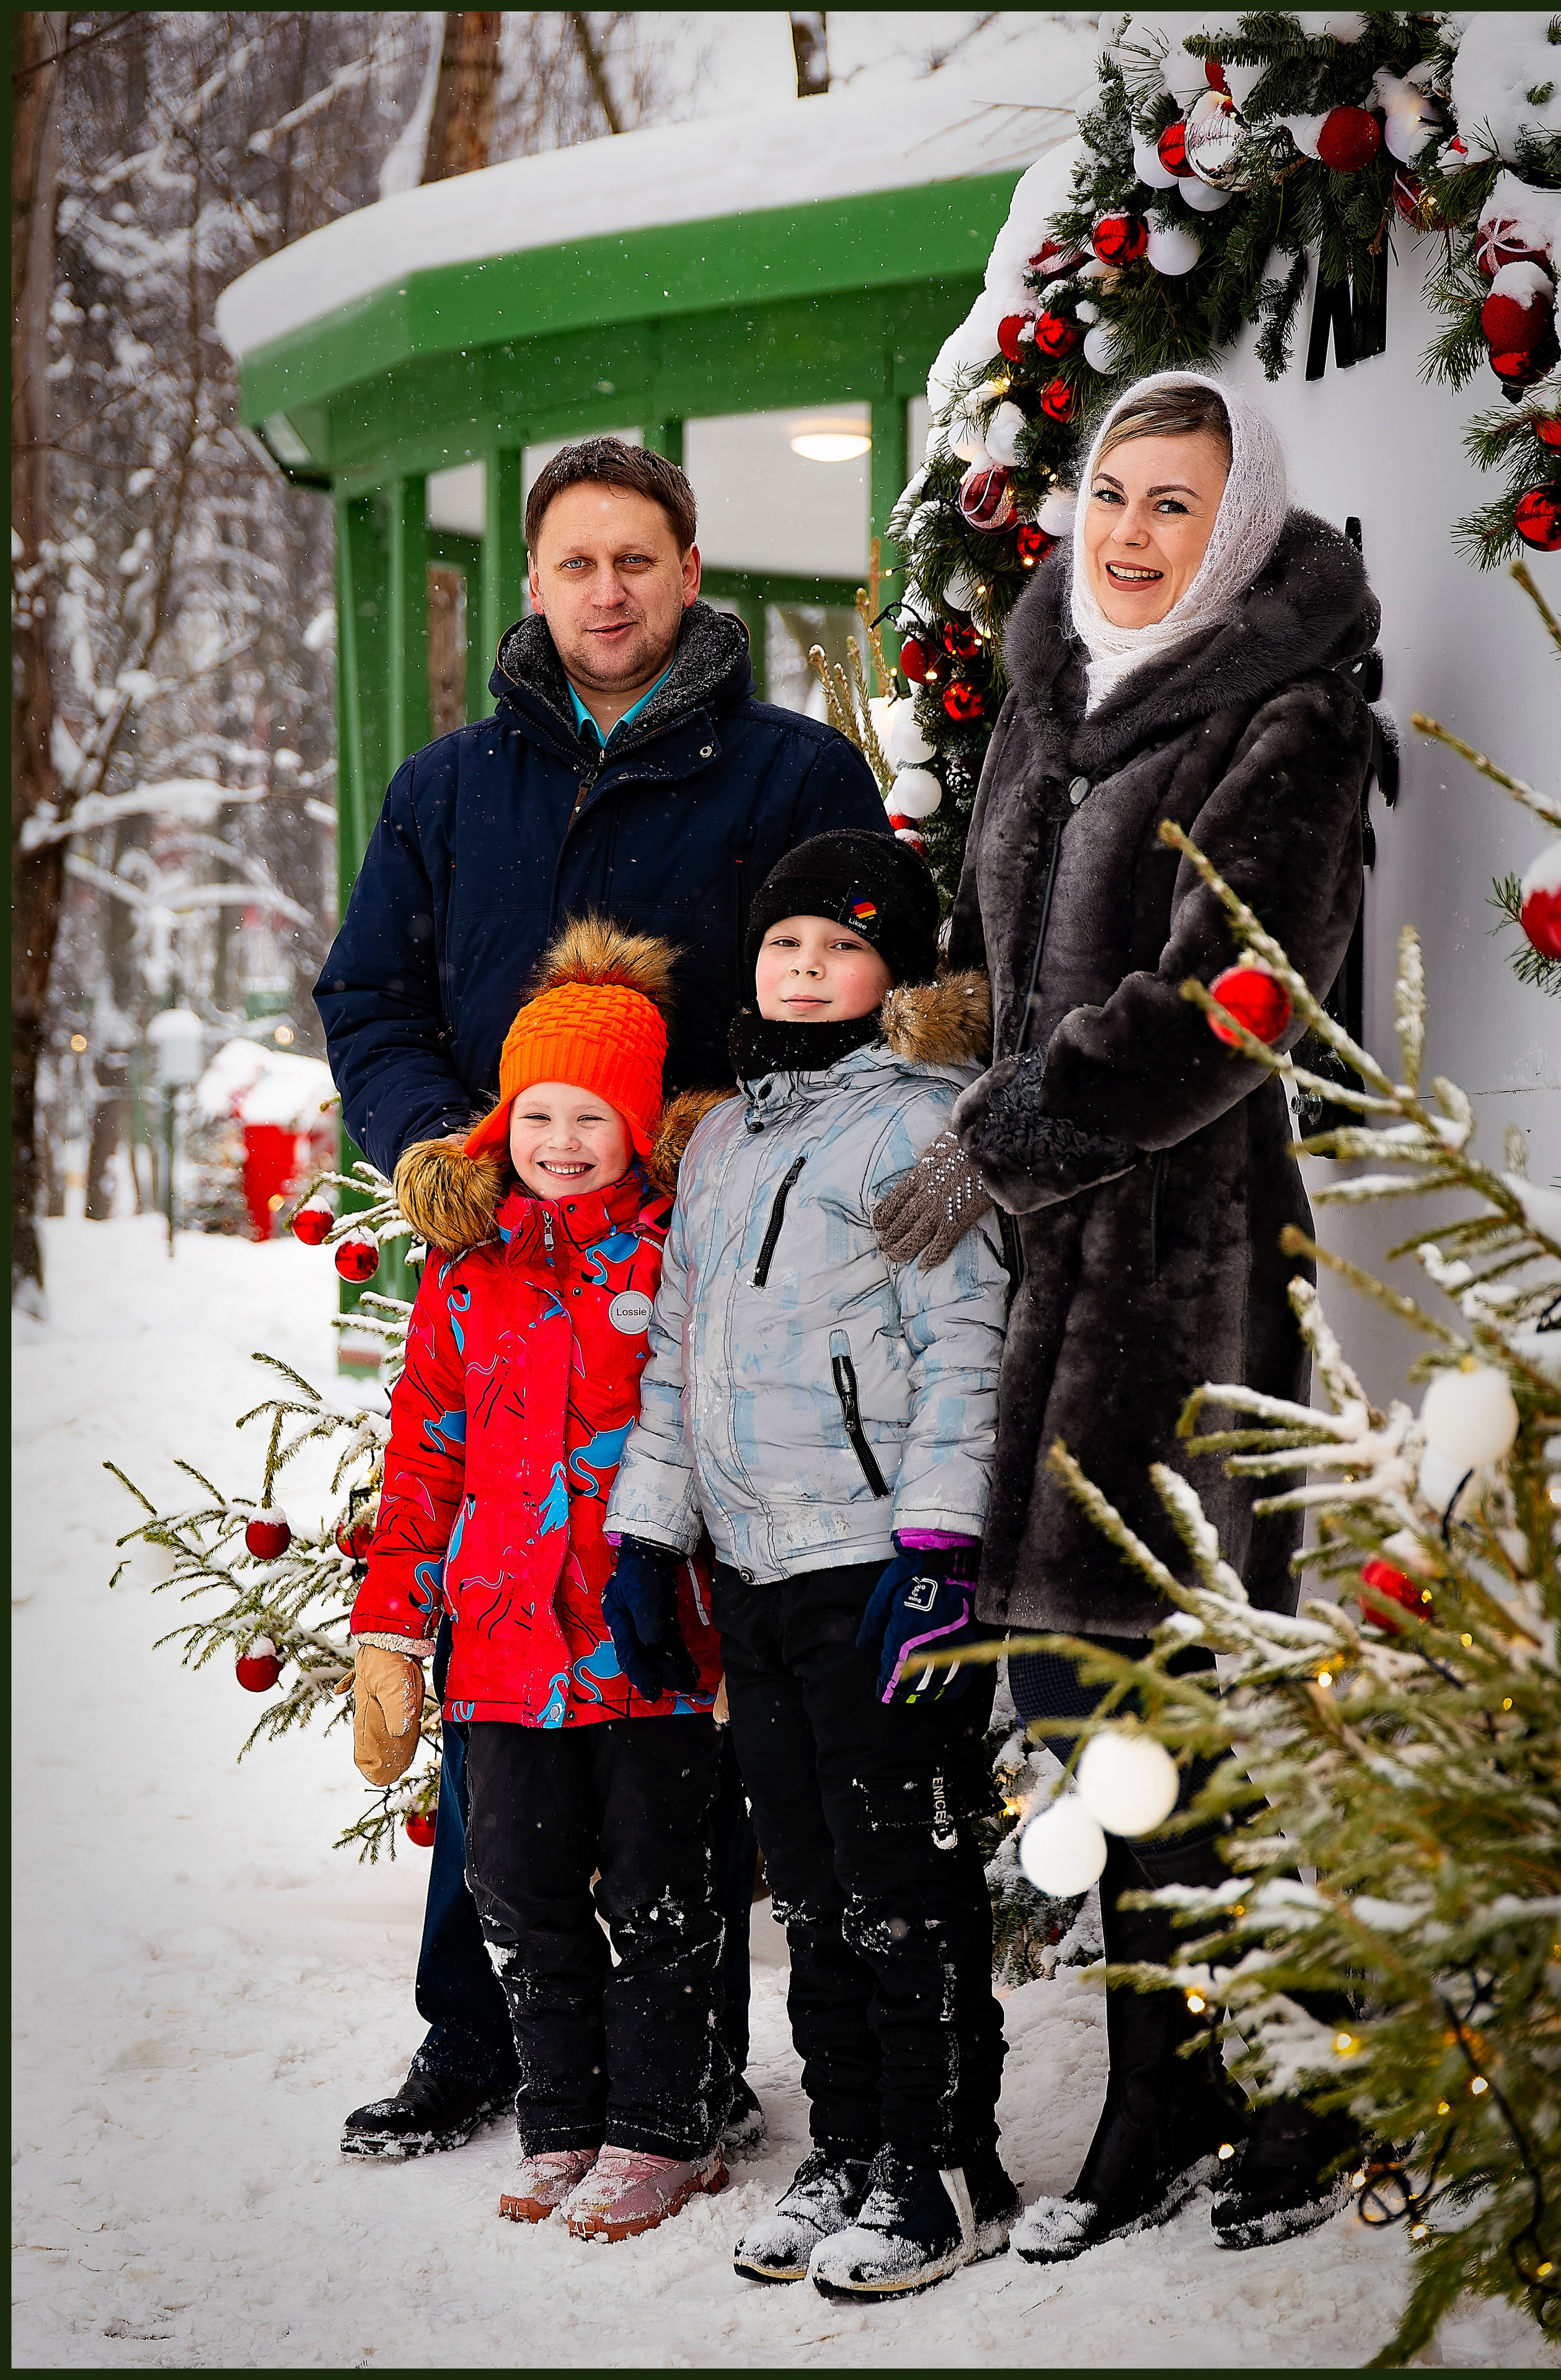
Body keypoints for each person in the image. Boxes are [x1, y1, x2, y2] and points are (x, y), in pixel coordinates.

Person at [316, 436, 890, 2159]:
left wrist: (740, 1153)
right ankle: (476, 2032)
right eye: (577, 562)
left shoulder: (791, 774)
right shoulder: (447, 793)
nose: (609, 591)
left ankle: (677, 2060)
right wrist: (444, 1148)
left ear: (691, 569)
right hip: (508, 1290)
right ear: (539, 583)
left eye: (638, 558)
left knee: (672, 1665)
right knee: (504, 1648)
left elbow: (851, 979)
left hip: (708, 1291)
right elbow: (371, 998)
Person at [875, 373, 1379, 2260]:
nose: (1132, 533)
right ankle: (1176, 2088)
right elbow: (1009, 963)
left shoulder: (1289, 714)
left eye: (1178, 504)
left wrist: (1017, 1124)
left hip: (1187, 1265)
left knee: (1184, 1698)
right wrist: (943, 1062)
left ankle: (1281, 2084)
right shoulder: (1048, 695)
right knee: (1094, 1708)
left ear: (1237, 529)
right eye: (1112, 494)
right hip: (1035, 1275)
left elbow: (1241, 999)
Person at [606, 830, 1020, 2300]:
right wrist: (649, 1536)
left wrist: (938, 1546)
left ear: (892, 974)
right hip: (752, 1563)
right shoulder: (717, 1140)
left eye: (837, 946)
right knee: (811, 1883)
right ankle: (846, 2140)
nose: (803, 968)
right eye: (784, 942)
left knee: (898, 1867)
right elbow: (672, 1352)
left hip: (870, 1559)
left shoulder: (930, 1127)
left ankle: (939, 2160)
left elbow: (965, 1341)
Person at [348, 920, 746, 2240]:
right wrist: (392, 1633)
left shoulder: (680, 1258)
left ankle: (663, 2128)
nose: (562, 1141)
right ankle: (565, 2117)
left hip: (647, 1641)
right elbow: (424, 1461)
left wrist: (733, 1626)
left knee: (658, 1892)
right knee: (515, 1889)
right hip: (506, 1650)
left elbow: (716, 1435)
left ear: (639, 1127)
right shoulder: (470, 1279)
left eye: (591, 1116)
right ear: (502, 1122)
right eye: (538, 1114)